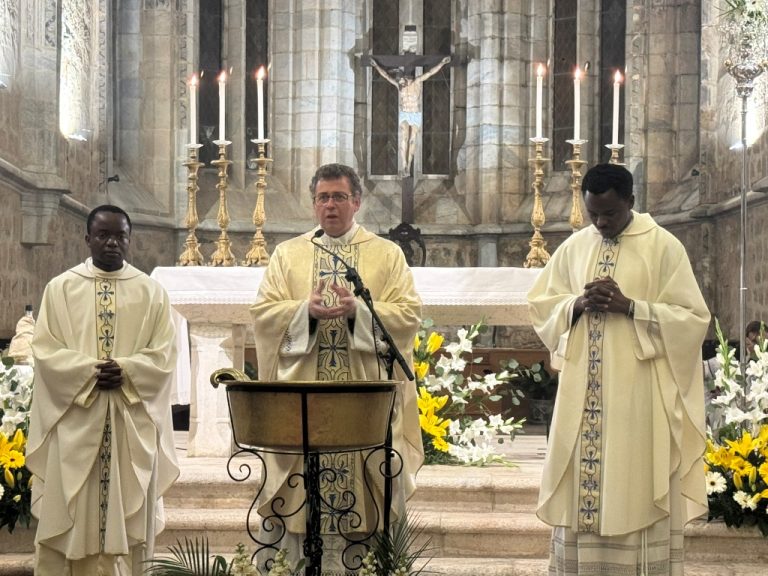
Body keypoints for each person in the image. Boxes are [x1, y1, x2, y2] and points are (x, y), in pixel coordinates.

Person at [527, 164, 710, 576]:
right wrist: (576, 304)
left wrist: (632, 307)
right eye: (593, 214)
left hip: (639, 396)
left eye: (609, 213)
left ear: (631, 201)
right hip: (582, 395)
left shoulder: (663, 247)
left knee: (635, 481)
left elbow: (693, 318)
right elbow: (541, 304)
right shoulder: (575, 246)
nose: (600, 223)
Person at [250, 163, 423, 571]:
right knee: (301, 496)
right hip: (303, 405)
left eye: (339, 197)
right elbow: (263, 314)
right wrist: (303, 312)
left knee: (367, 486)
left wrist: (359, 312)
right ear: (314, 204)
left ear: (357, 202)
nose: (330, 205)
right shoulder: (288, 254)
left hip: (363, 406)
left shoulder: (387, 254)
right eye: (323, 198)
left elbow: (408, 314)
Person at [27, 205, 179, 576]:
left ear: (129, 240)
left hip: (129, 419)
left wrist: (127, 371)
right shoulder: (61, 288)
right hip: (77, 417)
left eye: (120, 236)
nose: (112, 242)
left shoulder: (151, 292)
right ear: (88, 239)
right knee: (73, 506)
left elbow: (164, 354)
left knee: (126, 506)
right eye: (103, 235)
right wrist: (89, 373)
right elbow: (45, 350)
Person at [371, 56, 451, 176]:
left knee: (412, 139)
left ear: (405, 78)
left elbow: (430, 73)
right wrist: (376, 66)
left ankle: (408, 166)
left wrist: (442, 63)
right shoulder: (400, 86)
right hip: (404, 113)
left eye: (400, 81)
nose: (399, 84)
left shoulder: (417, 82)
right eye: (399, 82)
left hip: (415, 114)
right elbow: (386, 76)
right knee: (404, 137)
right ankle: (404, 165)